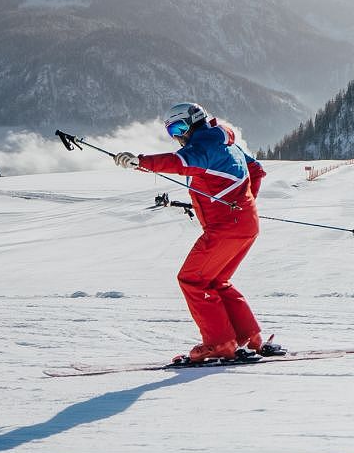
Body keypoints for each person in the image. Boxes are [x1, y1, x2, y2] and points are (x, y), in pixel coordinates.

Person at [114, 102, 288, 364]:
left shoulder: (204, 147)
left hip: (225, 228)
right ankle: (250, 339)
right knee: (216, 282)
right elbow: (255, 170)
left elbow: (178, 163)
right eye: (172, 130)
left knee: (192, 280)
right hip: (245, 225)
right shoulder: (225, 141)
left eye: (180, 127)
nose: (177, 135)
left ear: (195, 122)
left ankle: (221, 344)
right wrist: (244, 202)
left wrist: (139, 162)